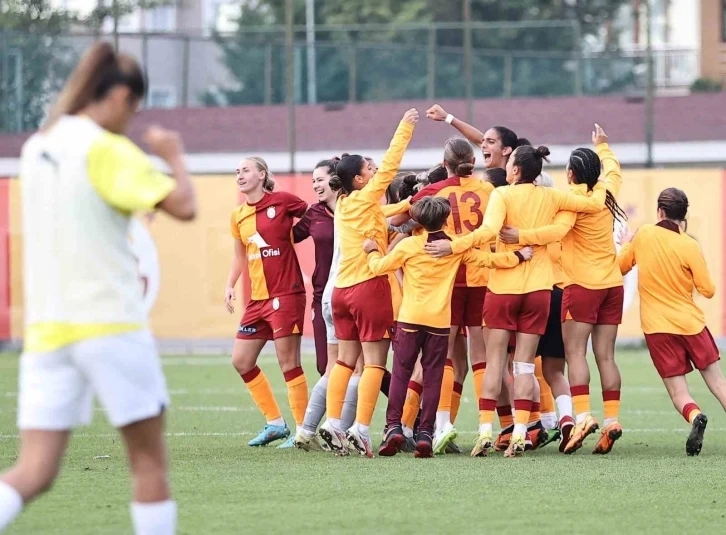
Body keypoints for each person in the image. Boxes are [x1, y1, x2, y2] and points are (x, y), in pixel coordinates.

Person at [0, 42, 196, 535]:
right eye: (132, 109)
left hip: (47, 332)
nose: (130, 121)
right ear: (120, 96)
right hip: (109, 324)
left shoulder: (37, 145)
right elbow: (185, 207)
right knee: (149, 463)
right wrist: (173, 155)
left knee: (33, 471)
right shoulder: (106, 149)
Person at [426, 144, 608, 457]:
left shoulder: (504, 195)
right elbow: (589, 207)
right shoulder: (552, 196)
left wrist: (453, 246)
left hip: (503, 290)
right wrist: (604, 182)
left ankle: (485, 431)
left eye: (510, 163)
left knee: (495, 363)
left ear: (515, 170)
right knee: (524, 366)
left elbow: (487, 233)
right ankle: (521, 433)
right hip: (538, 292)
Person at [365, 196, 532, 457]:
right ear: (446, 219)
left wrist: (372, 250)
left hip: (410, 318)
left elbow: (378, 267)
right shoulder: (453, 246)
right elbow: (488, 261)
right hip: (439, 322)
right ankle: (425, 433)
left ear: (418, 220)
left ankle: (394, 427)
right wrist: (519, 256)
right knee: (434, 377)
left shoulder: (409, 245)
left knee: (401, 373)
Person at [499, 125, 628, 454]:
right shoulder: (607, 190)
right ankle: (612, 420)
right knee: (607, 356)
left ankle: (583, 416)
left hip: (581, 286)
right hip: (613, 284)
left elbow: (555, 231)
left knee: (574, 354)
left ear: (570, 174)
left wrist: (520, 237)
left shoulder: (572, 201)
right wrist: (602, 145)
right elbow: (612, 167)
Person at [318, 109, 419, 458]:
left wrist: (409, 202)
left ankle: (333, 422)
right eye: (370, 170)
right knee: (375, 362)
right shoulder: (366, 195)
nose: (376, 172)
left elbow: (383, 214)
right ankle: (361, 428)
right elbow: (392, 162)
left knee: (345, 361)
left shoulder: (345, 202)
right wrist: (405, 126)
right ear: (360, 180)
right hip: (368, 287)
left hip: (342, 291)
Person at [618, 188, 726, 456]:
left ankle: (695, 416)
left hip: (657, 328)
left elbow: (620, 266)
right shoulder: (689, 244)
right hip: (691, 324)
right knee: (719, 384)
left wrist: (625, 243)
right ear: (684, 214)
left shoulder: (643, 234)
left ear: (660, 211)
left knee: (679, 392)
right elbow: (709, 289)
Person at [225, 157, 309, 450]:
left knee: (289, 363)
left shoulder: (283, 201)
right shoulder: (237, 215)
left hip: (286, 295)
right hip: (257, 301)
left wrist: (295, 236)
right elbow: (239, 255)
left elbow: (314, 216)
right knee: (241, 361)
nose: (240, 175)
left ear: (262, 175)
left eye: (246, 170)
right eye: (237, 171)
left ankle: (302, 432)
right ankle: (275, 424)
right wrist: (230, 285)